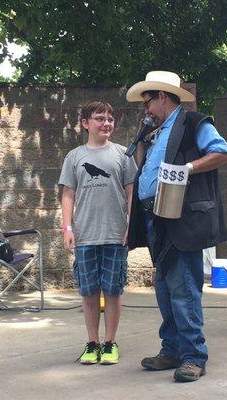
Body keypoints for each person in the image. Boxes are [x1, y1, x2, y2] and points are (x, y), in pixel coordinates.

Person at [126, 71, 227, 383]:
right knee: (164, 290)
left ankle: (193, 356)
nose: (145, 109)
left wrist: (188, 167)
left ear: (162, 96)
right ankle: (171, 349)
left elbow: (222, 152)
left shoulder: (194, 123)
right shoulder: (155, 133)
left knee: (184, 290)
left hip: (183, 219)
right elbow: (145, 171)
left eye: (148, 101)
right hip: (156, 219)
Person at [58, 100, 137, 365]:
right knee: (88, 292)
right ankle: (92, 344)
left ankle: (110, 343)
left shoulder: (123, 155)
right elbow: (68, 194)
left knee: (113, 291)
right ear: (85, 123)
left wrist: (131, 225)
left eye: (110, 119)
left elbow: (131, 193)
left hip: (115, 234)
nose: (106, 123)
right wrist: (67, 228)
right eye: (99, 118)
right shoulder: (74, 156)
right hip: (85, 236)